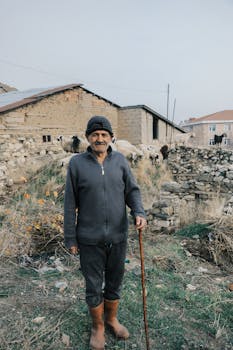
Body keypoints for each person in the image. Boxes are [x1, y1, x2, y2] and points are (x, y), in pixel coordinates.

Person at [64, 116, 147, 350]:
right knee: (93, 284)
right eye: (95, 135)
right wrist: (70, 237)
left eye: (104, 135)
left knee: (114, 282)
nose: (99, 138)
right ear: (88, 137)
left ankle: (111, 319)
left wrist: (139, 211)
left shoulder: (120, 161)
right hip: (89, 238)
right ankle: (97, 327)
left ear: (111, 137)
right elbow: (70, 204)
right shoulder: (77, 164)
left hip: (118, 236)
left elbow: (132, 191)